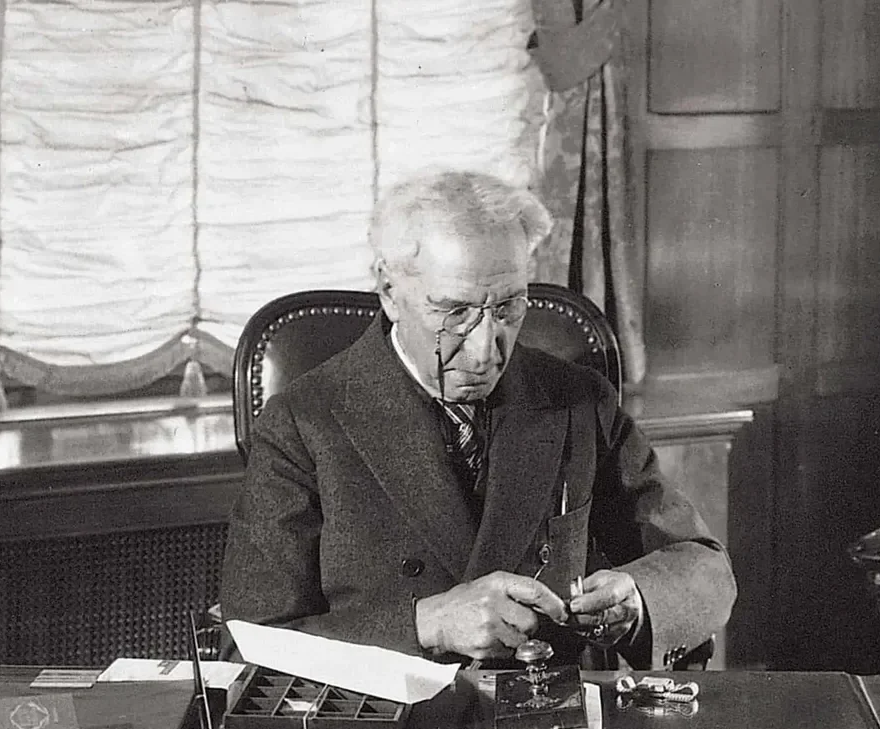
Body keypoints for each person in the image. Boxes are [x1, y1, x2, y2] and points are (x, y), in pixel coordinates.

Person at [220, 170, 736, 669]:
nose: (487, 349)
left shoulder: (578, 400)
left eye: (509, 307)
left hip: (548, 723)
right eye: (456, 311)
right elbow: (250, 646)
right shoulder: (302, 423)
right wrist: (426, 624)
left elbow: (705, 568)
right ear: (388, 290)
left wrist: (638, 599)